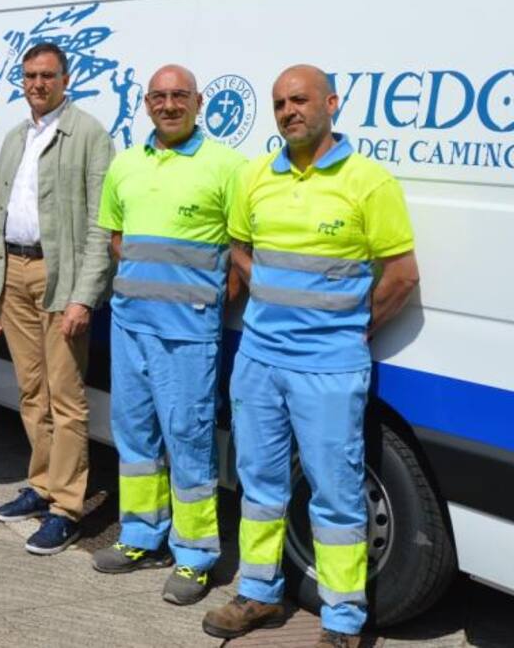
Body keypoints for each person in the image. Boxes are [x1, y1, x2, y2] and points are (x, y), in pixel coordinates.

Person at [201, 66, 420, 648]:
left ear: (330, 103)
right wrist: (274, 303)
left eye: (299, 100)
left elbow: (400, 276)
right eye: (278, 103)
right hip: (260, 358)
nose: (288, 110)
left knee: (336, 491)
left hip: (329, 365)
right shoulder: (257, 176)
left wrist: (349, 329)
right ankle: (258, 593)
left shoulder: (367, 181)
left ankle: (343, 620)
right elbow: (239, 249)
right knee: (259, 483)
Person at [90, 65, 246, 604]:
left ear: (199, 102)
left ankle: (196, 556)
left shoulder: (226, 166)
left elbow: (243, 250)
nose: (169, 104)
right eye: (159, 96)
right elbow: (116, 238)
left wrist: (204, 295)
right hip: (131, 324)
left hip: (188, 334)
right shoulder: (126, 164)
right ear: (146, 103)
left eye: (179, 95)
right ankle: (139, 535)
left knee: (189, 440)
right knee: (134, 437)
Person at [0, 42, 113, 555]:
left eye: (47, 76)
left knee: (66, 397)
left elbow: (103, 224)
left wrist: (84, 296)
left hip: (61, 279)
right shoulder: (16, 137)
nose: (37, 84)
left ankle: (66, 507)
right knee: (32, 392)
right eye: (30, 76)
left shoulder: (88, 135)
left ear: (65, 79)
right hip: (14, 271)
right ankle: (40, 486)